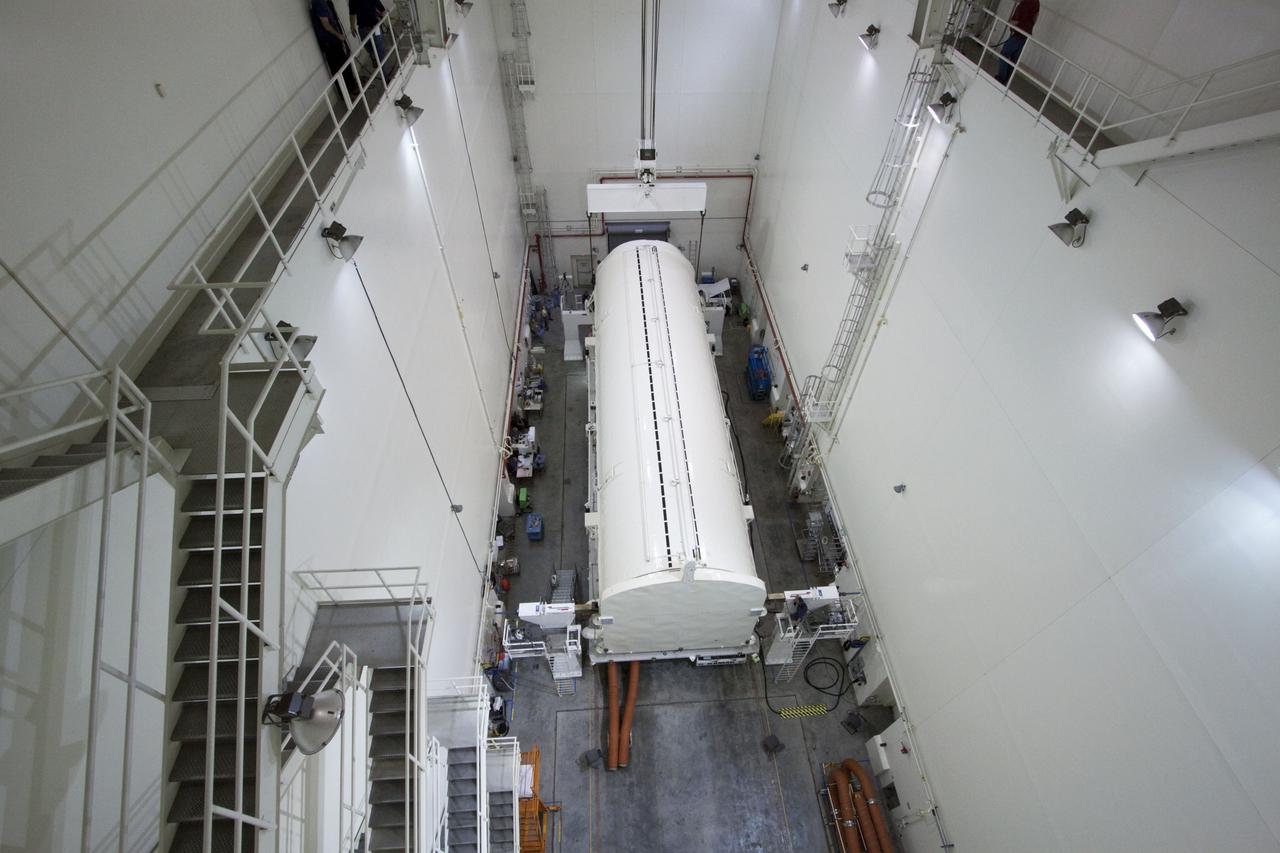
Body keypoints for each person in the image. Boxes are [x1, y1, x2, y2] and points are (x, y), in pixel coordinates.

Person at [310, 0, 359, 99]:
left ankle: (351, 89)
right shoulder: (318, 3)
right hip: (330, 44)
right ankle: (346, 95)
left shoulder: (324, 3)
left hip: (334, 42)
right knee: (338, 69)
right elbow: (326, 25)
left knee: (344, 65)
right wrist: (338, 35)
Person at [997, 0, 1040, 86]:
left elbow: (1017, 21)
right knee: (1013, 60)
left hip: (1017, 35)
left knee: (1004, 55)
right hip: (1025, 35)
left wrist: (1011, 23)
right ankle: (1006, 81)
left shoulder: (1024, 5)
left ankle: (1001, 78)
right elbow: (1035, 17)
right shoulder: (1036, 2)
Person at [349, 0, 391, 85]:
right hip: (363, 28)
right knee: (368, 47)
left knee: (380, 51)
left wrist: (383, 14)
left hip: (374, 27)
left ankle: (386, 77)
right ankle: (374, 57)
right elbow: (352, 13)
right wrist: (352, 26)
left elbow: (380, 7)